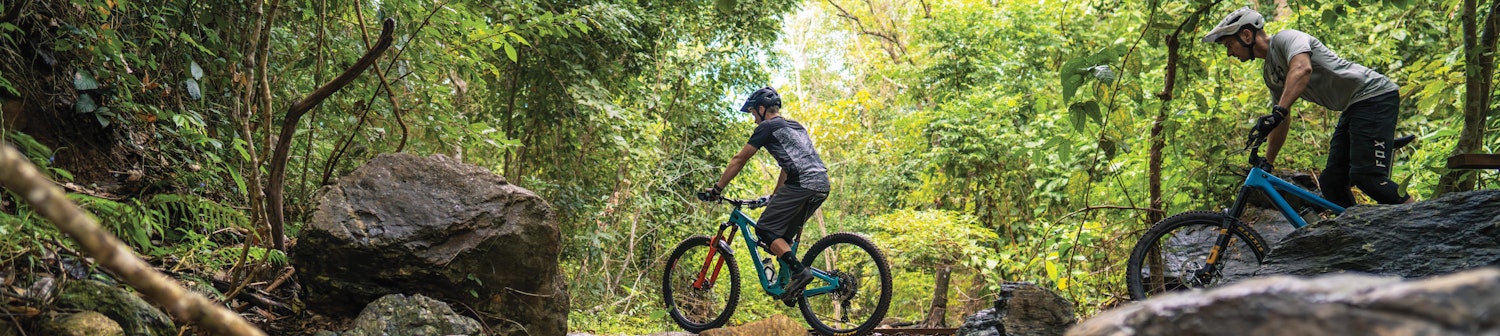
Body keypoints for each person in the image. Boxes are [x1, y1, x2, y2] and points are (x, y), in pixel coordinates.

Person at [1203, 7, 1415, 206]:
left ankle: (1425, 221)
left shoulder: (1287, 38)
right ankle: (1357, 236)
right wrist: (1268, 162)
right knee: (1331, 182)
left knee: (1367, 178)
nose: (1230, 53)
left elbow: (1302, 68)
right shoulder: (1270, 74)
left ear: (1246, 36)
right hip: (1354, 106)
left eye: (1230, 45)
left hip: (1375, 95)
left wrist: (1279, 111)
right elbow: (1283, 119)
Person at [700, 86, 831, 305]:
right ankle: (791, 285)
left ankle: (799, 272)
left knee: (764, 230)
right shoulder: (796, 126)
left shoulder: (768, 127)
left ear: (761, 109)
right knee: (782, 239)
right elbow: (786, 165)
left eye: (753, 114)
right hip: (821, 184)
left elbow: (738, 160)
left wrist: (717, 189)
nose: (753, 120)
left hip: (801, 183)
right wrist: (775, 195)